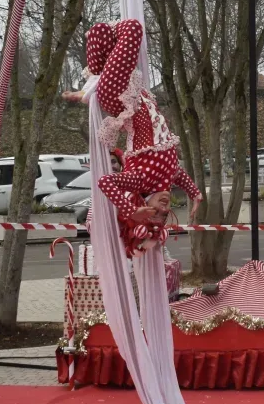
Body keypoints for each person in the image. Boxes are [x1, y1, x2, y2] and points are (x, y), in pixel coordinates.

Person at [63, 19, 201, 257]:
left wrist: (129, 210)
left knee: (133, 28)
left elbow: (105, 182)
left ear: (143, 205)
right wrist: (195, 193)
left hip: (118, 96)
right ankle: (89, 88)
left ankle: (90, 91)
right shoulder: (166, 178)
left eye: (154, 213)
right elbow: (179, 173)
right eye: (164, 216)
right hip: (134, 91)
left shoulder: (140, 181)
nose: (163, 210)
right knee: (100, 31)